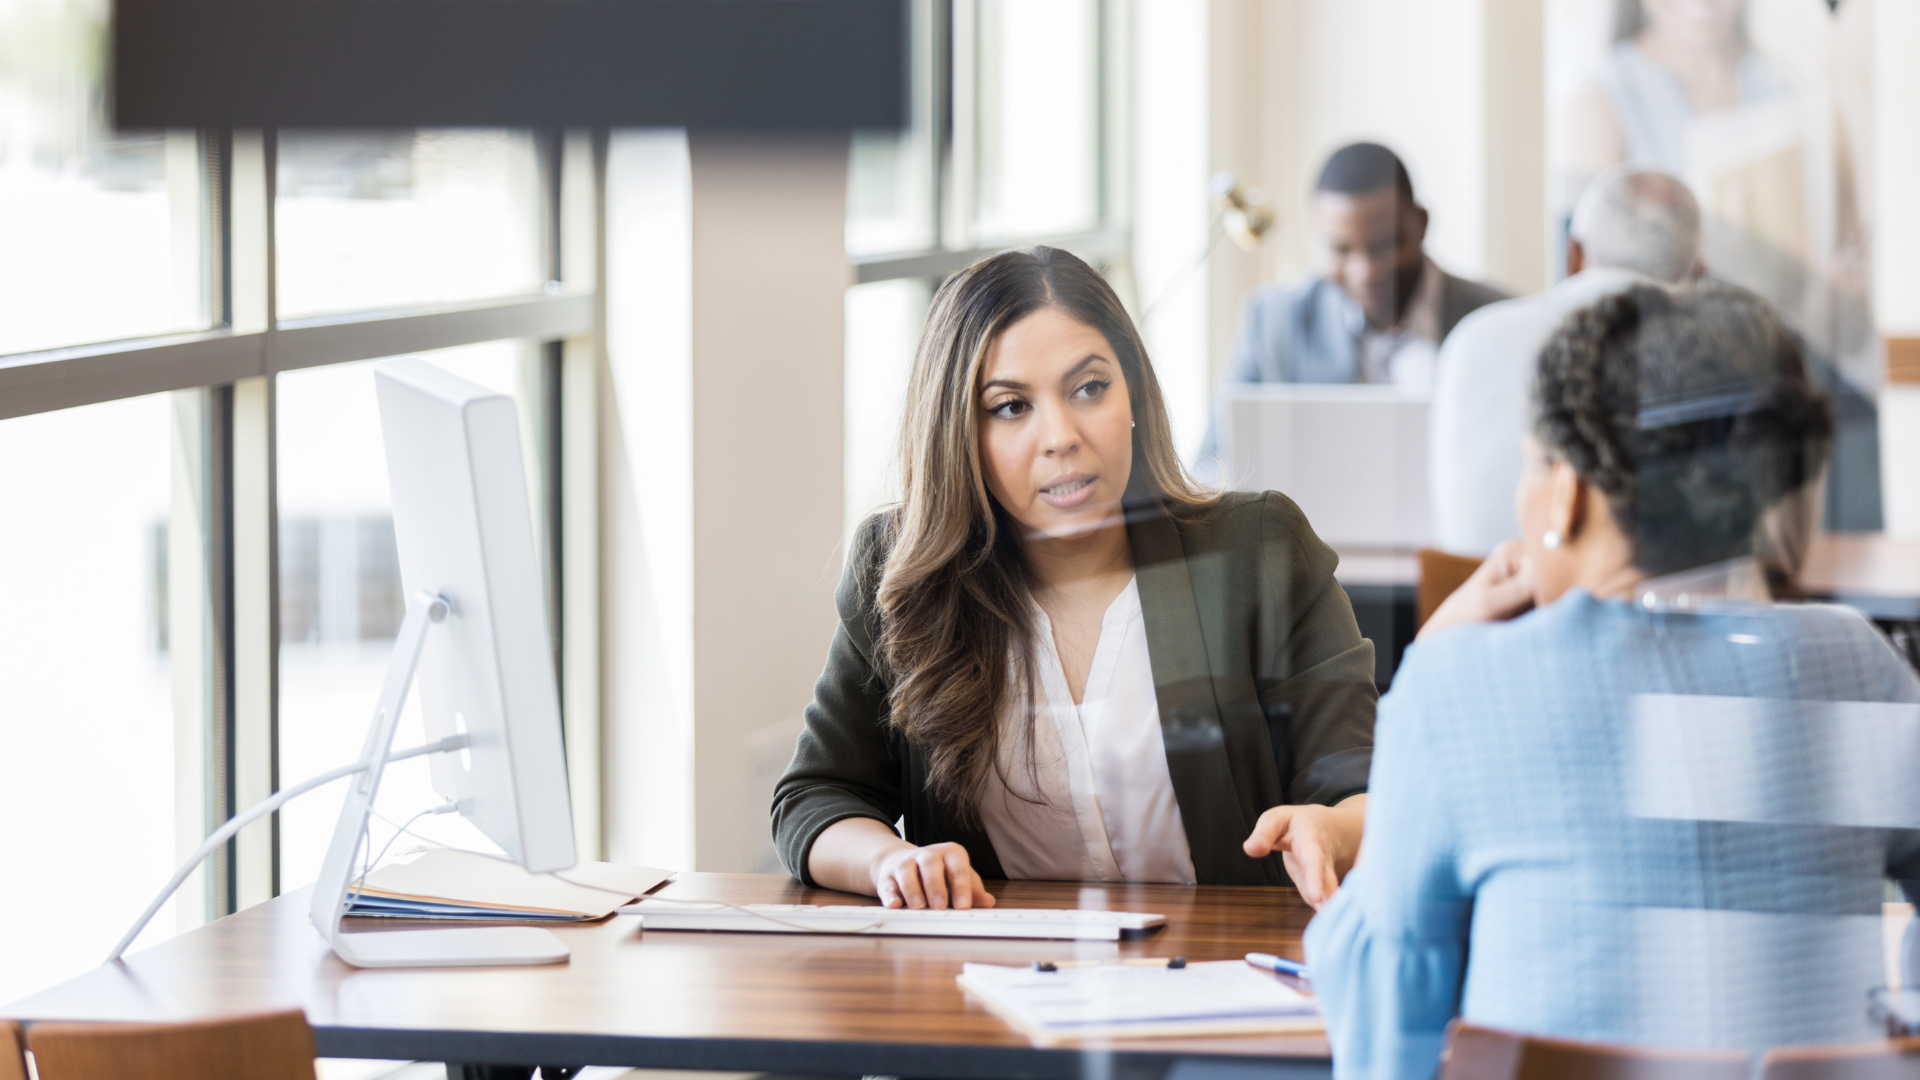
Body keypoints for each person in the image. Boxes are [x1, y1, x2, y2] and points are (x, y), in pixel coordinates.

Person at [1303, 282, 1920, 1078]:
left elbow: (1389, 1018)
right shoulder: (1860, 665)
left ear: (1565, 490)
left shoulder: (1461, 684)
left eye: (1528, 465)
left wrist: (1436, 651)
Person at [773, 247, 1378, 910]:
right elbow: (817, 796)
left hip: (1226, 972)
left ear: (1134, 396)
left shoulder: (1255, 549)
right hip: (993, 986)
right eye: (1010, 407)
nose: (1060, 436)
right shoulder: (899, 571)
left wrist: (1333, 828)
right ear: (958, 435)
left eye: (1089, 388)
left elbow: (1359, 782)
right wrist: (889, 861)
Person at [1430, 165, 1702, 557]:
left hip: (1468, 598)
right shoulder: (1707, 355)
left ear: (1572, 254)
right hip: (1628, 603)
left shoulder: (1471, 338)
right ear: (1697, 277)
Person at [1195, 143, 1507, 476]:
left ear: (1421, 224)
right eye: (1340, 249)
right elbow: (1209, 468)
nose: (1365, 272)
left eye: (1384, 244)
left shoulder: (1497, 322)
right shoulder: (1272, 324)